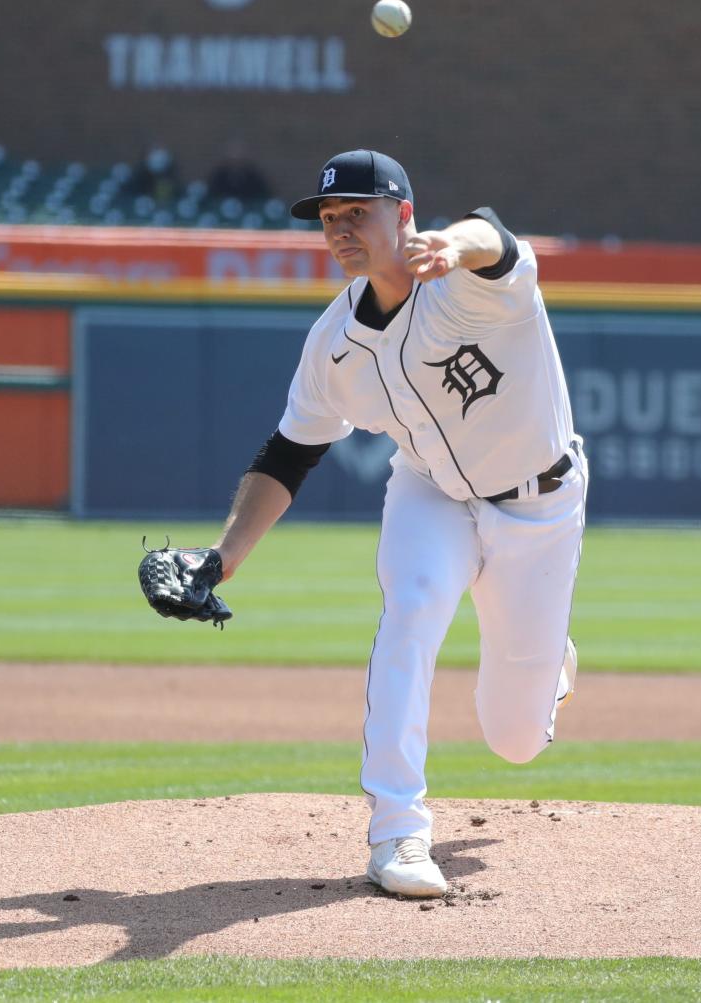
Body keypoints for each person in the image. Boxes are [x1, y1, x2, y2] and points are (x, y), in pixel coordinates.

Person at [210, 149, 588, 898]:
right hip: (432, 491)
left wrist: (454, 245)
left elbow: (498, 241)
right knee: (411, 609)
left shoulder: (472, 287)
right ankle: (398, 833)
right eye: (329, 217)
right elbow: (288, 453)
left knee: (513, 741)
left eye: (359, 211)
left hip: (537, 505)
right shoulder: (334, 341)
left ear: (404, 215)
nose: (342, 228)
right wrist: (221, 559)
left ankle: (548, 663)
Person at [206, 139, 272, 204]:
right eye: (233, 152)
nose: (236, 156)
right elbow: (211, 196)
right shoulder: (219, 175)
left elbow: (264, 196)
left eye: (239, 152)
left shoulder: (253, 176)